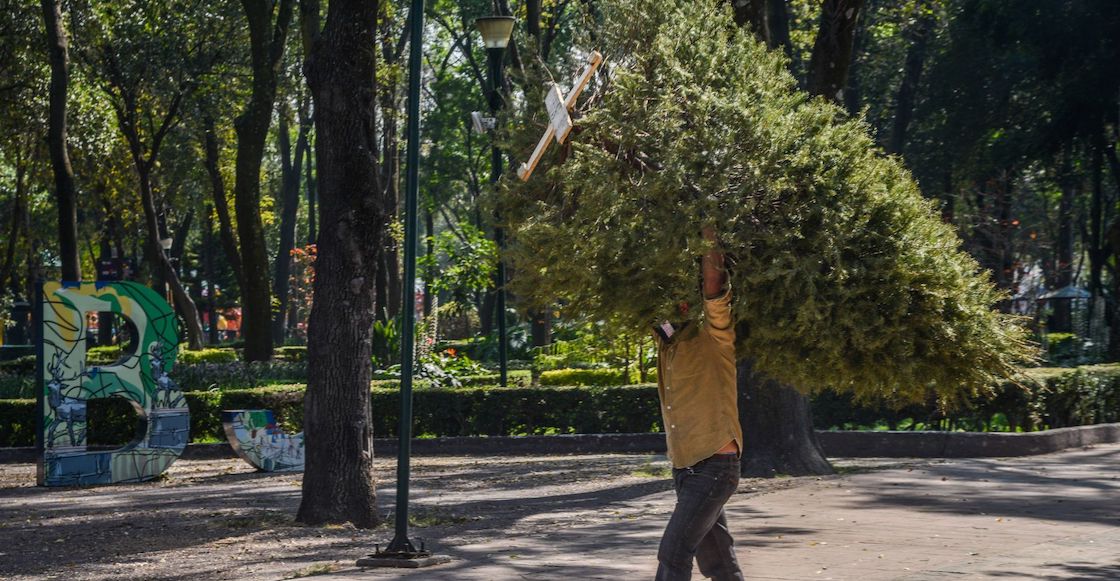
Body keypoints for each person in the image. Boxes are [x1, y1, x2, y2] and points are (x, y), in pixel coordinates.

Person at [652, 226, 744, 581]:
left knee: (673, 553)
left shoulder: (716, 333)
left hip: (715, 465)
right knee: (718, 562)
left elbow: (714, 287)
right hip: (685, 466)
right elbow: (657, 319)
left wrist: (709, 232)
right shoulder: (667, 344)